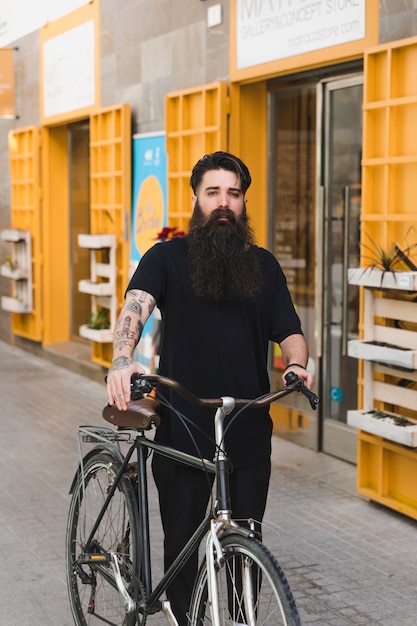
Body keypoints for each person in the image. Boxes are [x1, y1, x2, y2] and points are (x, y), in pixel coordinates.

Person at [106, 151, 313, 625]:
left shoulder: (263, 265)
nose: (224, 203)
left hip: (246, 428)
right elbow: (135, 308)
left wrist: (297, 364)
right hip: (183, 426)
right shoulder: (167, 258)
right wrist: (122, 358)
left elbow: (290, 329)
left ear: (243, 202)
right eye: (213, 192)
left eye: (233, 194)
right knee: (181, 546)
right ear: (196, 199)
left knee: (245, 544)